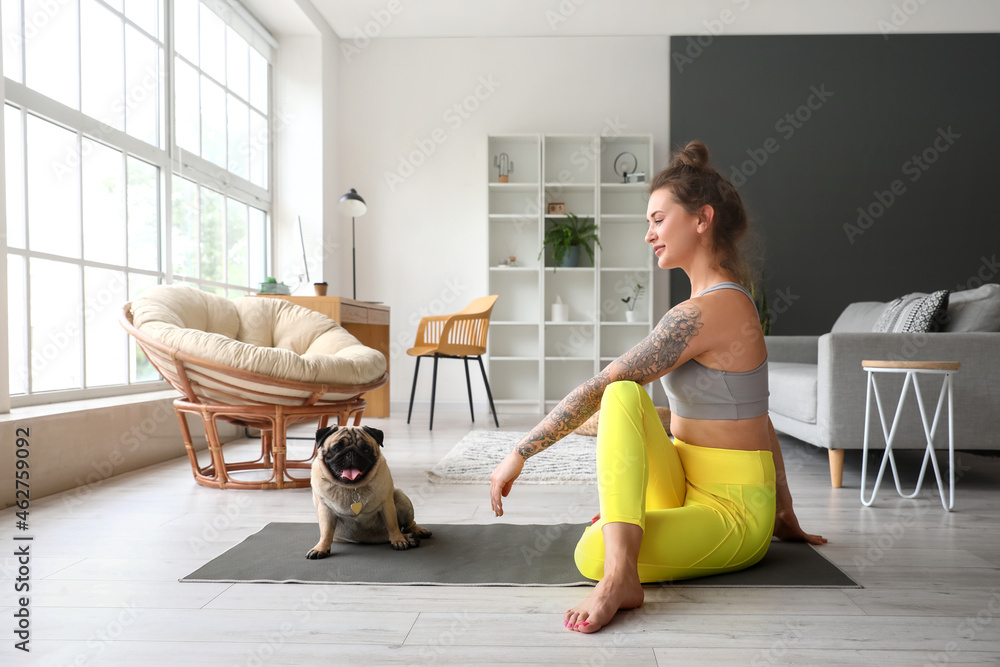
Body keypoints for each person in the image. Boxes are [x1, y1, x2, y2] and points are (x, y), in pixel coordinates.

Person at [489, 140, 826, 634]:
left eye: (657, 219)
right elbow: (758, 415)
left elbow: (597, 384)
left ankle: (621, 574)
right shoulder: (707, 305)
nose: (649, 234)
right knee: (625, 396)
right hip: (683, 479)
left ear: (701, 219)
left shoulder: (713, 310)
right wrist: (788, 509)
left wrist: (520, 451)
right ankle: (628, 541)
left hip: (732, 508)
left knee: (592, 552)